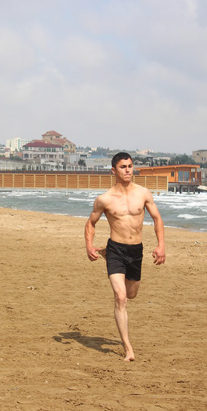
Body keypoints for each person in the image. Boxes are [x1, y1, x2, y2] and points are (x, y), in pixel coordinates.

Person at [85, 152, 165, 362]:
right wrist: (89, 246)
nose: (128, 170)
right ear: (114, 170)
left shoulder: (143, 193)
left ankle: (107, 255)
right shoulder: (105, 199)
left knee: (131, 294)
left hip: (135, 251)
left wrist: (161, 246)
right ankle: (128, 348)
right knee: (120, 298)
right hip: (116, 250)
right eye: (123, 167)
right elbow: (90, 223)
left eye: (130, 166)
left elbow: (157, 219)